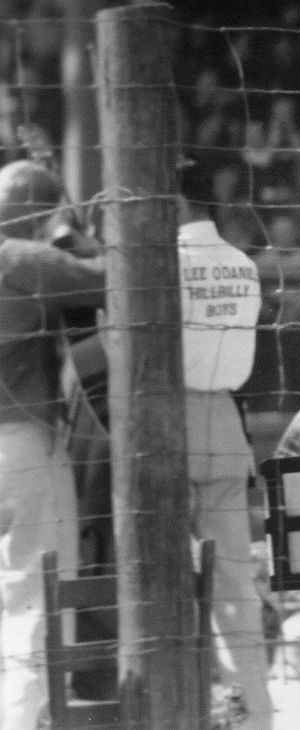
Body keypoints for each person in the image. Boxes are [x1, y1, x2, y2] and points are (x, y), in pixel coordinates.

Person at [0, 159, 104, 730]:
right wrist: (73, 234)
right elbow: (119, 276)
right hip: (20, 441)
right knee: (33, 595)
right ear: (42, 211)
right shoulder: (21, 257)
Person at [178, 161, 273, 729]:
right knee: (235, 585)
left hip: (167, 421)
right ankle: (253, 715)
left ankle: (189, 712)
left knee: (163, 578)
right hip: (225, 423)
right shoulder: (240, 264)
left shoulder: (163, 263)